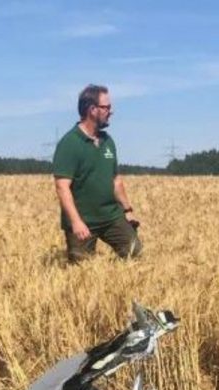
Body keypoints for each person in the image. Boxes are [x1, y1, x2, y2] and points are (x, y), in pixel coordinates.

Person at [52, 84, 142, 263]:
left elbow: (116, 180)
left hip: (111, 216)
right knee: (81, 272)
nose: (111, 111)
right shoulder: (69, 143)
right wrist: (76, 222)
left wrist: (128, 210)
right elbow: (62, 187)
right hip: (84, 220)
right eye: (106, 107)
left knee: (134, 251)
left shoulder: (108, 141)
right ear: (92, 110)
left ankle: (116, 287)